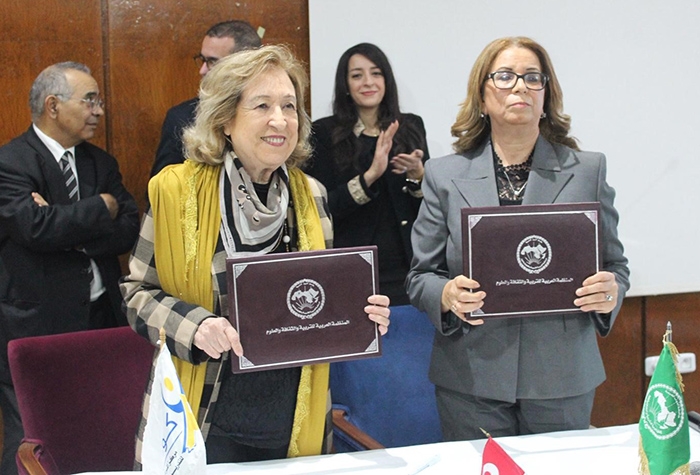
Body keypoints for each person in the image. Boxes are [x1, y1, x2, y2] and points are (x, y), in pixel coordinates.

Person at [120, 45, 391, 466]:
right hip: (206, 418)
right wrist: (196, 326)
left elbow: (315, 299)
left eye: (289, 106)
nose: (280, 120)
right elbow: (137, 295)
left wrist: (362, 314)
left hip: (293, 417)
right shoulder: (176, 192)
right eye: (262, 105)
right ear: (226, 119)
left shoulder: (312, 196)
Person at [406, 36, 630, 441]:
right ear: (482, 94)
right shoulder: (444, 174)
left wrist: (610, 291)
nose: (520, 87)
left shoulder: (588, 171)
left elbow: (615, 266)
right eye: (505, 76)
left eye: (532, 77)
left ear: (546, 95)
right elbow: (421, 276)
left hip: (562, 376)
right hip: (471, 377)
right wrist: (447, 294)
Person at [0, 62, 139, 474]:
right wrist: (100, 208)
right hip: (34, 322)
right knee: (29, 439)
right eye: (90, 100)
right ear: (53, 106)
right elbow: (34, 228)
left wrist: (67, 227)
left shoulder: (101, 162)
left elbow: (129, 228)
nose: (99, 110)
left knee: (96, 429)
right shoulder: (11, 162)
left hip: (100, 317)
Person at [304, 42, 429, 307]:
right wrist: (370, 176)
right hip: (353, 269)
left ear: (386, 80)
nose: (368, 82)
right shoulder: (323, 133)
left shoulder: (410, 126)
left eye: (376, 73)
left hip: (408, 265)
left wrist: (418, 175)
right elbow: (323, 209)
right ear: (345, 85)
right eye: (357, 75)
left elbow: (429, 208)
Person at [150, 19, 262, 178]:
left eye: (212, 62)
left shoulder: (275, 116)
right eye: (202, 60)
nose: (202, 70)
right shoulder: (182, 118)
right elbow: (161, 187)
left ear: (244, 65)